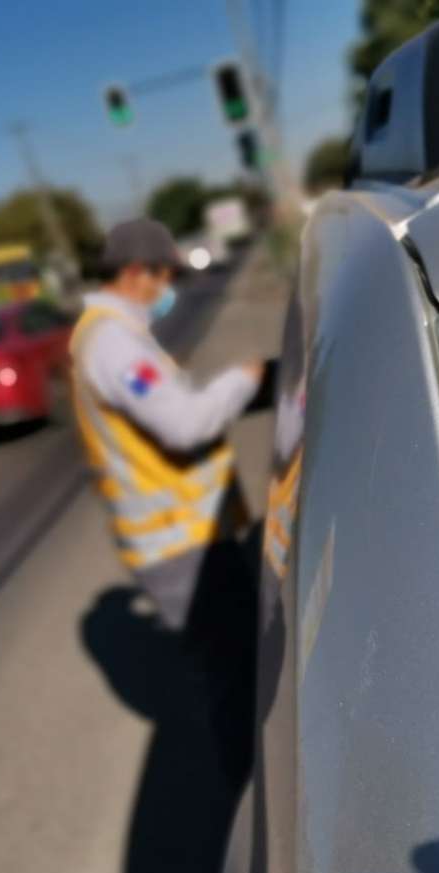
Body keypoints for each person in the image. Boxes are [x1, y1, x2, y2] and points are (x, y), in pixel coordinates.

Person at [69, 218, 264, 632]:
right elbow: (185, 425)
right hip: (179, 544)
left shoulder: (114, 333)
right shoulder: (112, 344)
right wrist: (245, 379)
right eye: (166, 276)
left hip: (184, 537)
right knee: (236, 676)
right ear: (137, 272)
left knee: (237, 665)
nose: (169, 289)